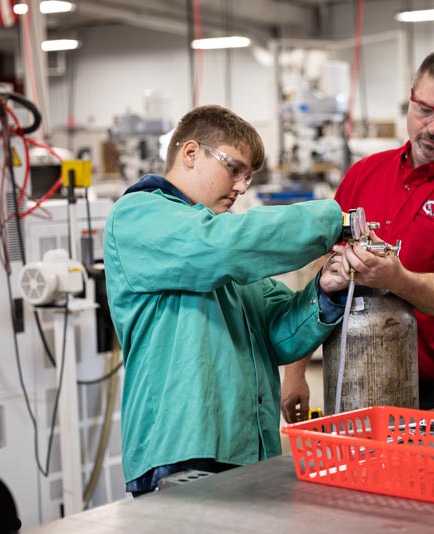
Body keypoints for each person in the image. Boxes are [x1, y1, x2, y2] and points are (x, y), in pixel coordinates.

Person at [103, 104, 352, 496]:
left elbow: (279, 333)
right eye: (233, 168)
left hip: (248, 451)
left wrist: (324, 290)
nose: (240, 187)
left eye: (248, 177)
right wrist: (334, 221)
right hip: (181, 452)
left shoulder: (226, 253)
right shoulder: (139, 216)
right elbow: (220, 247)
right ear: (190, 153)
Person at [281, 49, 434, 418]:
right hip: (349, 380)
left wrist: (396, 278)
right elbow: (322, 275)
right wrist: (296, 369)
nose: (433, 128)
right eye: (425, 110)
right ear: (410, 98)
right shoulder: (364, 174)